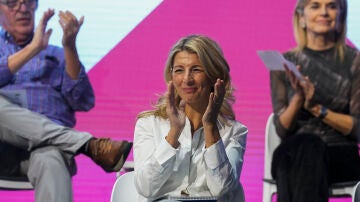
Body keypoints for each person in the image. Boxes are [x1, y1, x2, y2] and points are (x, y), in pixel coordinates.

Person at [0, 1, 132, 202]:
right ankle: (88, 145)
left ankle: (80, 143)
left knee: (51, 158)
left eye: (28, 2)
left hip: (43, 148)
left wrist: (69, 46)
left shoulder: (58, 55)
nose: (23, 9)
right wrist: (34, 48)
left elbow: (83, 100)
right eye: (12, 3)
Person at [133, 35, 247, 202]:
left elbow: (222, 189)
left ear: (214, 76)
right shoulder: (148, 124)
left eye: (196, 69)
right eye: (179, 70)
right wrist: (174, 132)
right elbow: (146, 188)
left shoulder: (234, 131)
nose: (187, 79)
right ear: (171, 76)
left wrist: (210, 127)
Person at [269, 0, 360, 201]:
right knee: (302, 150)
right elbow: (282, 129)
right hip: (292, 152)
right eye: (315, 5)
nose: (324, 12)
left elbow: (357, 128)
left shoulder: (355, 62)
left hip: (338, 155)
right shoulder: (283, 64)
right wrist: (299, 99)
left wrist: (315, 108)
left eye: (332, 6)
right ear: (301, 17)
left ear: (341, 15)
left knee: (306, 152)